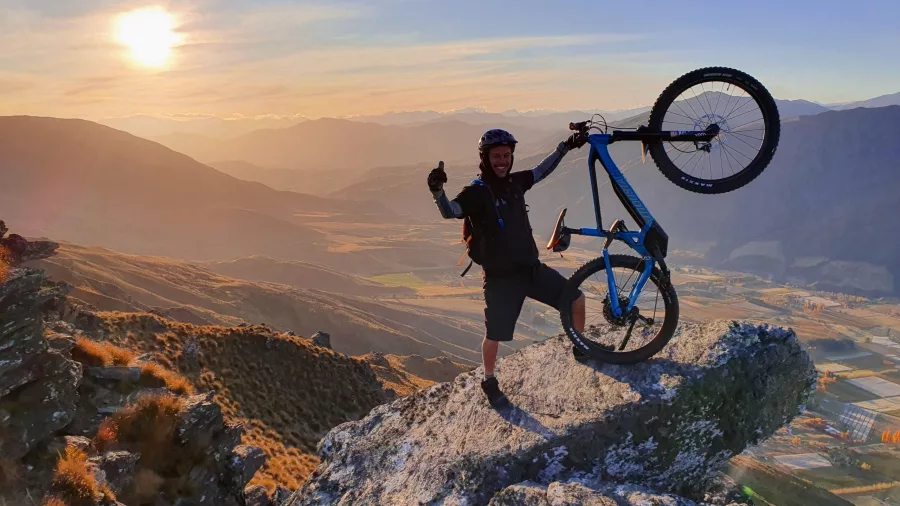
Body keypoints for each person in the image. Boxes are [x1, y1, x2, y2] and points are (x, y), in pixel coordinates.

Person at [427, 128, 593, 408]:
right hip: (501, 279)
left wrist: (566, 146)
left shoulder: (516, 183)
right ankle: (489, 381)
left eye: (506, 155)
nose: (502, 161)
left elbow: (541, 171)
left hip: (531, 270)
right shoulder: (477, 192)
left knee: (577, 299)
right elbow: (451, 211)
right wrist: (437, 192)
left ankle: (581, 347)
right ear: (485, 158)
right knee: (494, 335)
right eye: (496, 156)